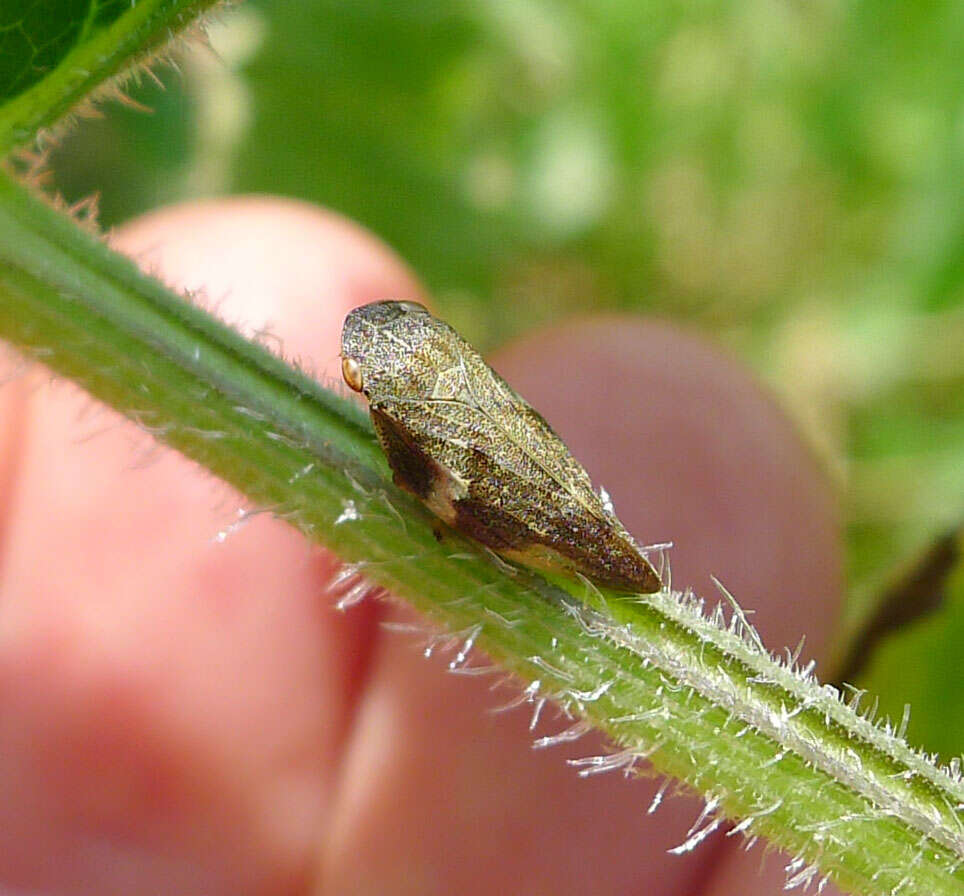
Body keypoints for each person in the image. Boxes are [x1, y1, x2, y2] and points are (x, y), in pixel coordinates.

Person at [0, 196, 842, 895]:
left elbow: (421, 486)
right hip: (540, 479)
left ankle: (596, 553)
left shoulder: (399, 403)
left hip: (527, 513)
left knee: (526, 499)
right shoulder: (419, 371)